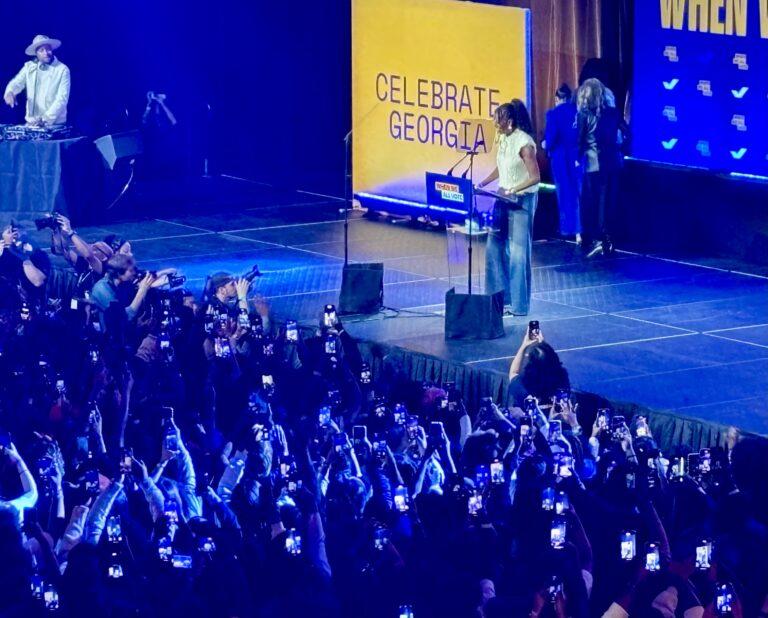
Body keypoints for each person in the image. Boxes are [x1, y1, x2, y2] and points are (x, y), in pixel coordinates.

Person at [477, 100, 541, 316]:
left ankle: (519, 306)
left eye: (499, 120)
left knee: (517, 255)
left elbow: (535, 177)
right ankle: (497, 301)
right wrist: (484, 183)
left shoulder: (525, 144)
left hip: (521, 201)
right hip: (502, 198)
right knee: (493, 248)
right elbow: (502, 165)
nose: (495, 124)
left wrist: (514, 188)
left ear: (510, 122)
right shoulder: (504, 139)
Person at [576, 79, 621, 258]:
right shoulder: (613, 113)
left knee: (591, 204)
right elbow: (626, 132)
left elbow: (579, 140)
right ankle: (606, 239)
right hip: (611, 163)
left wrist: (576, 159)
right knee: (606, 202)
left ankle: (597, 239)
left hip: (592, 164)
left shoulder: (584, 114)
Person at [3, 34, 70, 127]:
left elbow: (62, 99)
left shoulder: (62, 69)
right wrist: (10, 92)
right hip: (31, 124)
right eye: (41, 50)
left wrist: (45, 119)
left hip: (54, 124)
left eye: (48, 49)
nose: (46, 53)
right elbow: (17, 83)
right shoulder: (29, 67)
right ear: (36, 53)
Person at [543, 84, 581, 243]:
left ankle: (567, 229)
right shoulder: (578, 112)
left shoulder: (554, 114)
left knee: (564, 193)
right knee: (577, 193)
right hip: (577, 157)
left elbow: (551, 139)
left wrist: (545, 145)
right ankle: (580, 230)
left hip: (560, 159)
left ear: (557, 99)